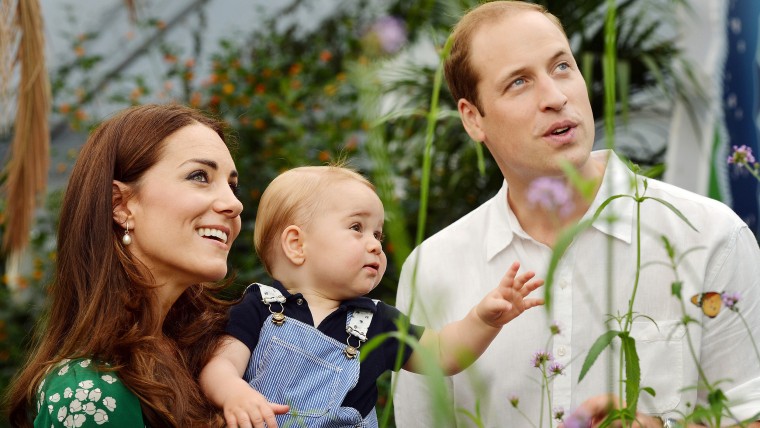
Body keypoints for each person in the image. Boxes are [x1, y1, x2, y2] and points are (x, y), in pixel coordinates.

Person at [393, 2, 760, 428]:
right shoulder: (433, 268)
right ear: (473, 119)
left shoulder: (710, 235)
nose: (555, 97)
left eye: (562, 66)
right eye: (518, 82)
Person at [198, 165, 545, 428]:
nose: (375, 244)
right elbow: (221, 365)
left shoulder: (376, 320)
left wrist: (483, 320)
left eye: (377, 233)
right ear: (297, 244)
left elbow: (442, 354)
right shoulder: (261, 305)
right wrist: (234, 394)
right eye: (356, 228)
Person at [6, 104, 244, 427]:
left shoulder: (217, 359)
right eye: (200, 176)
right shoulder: (89, 392)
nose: (234, 203)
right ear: (121, 205)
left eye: (232, 185)